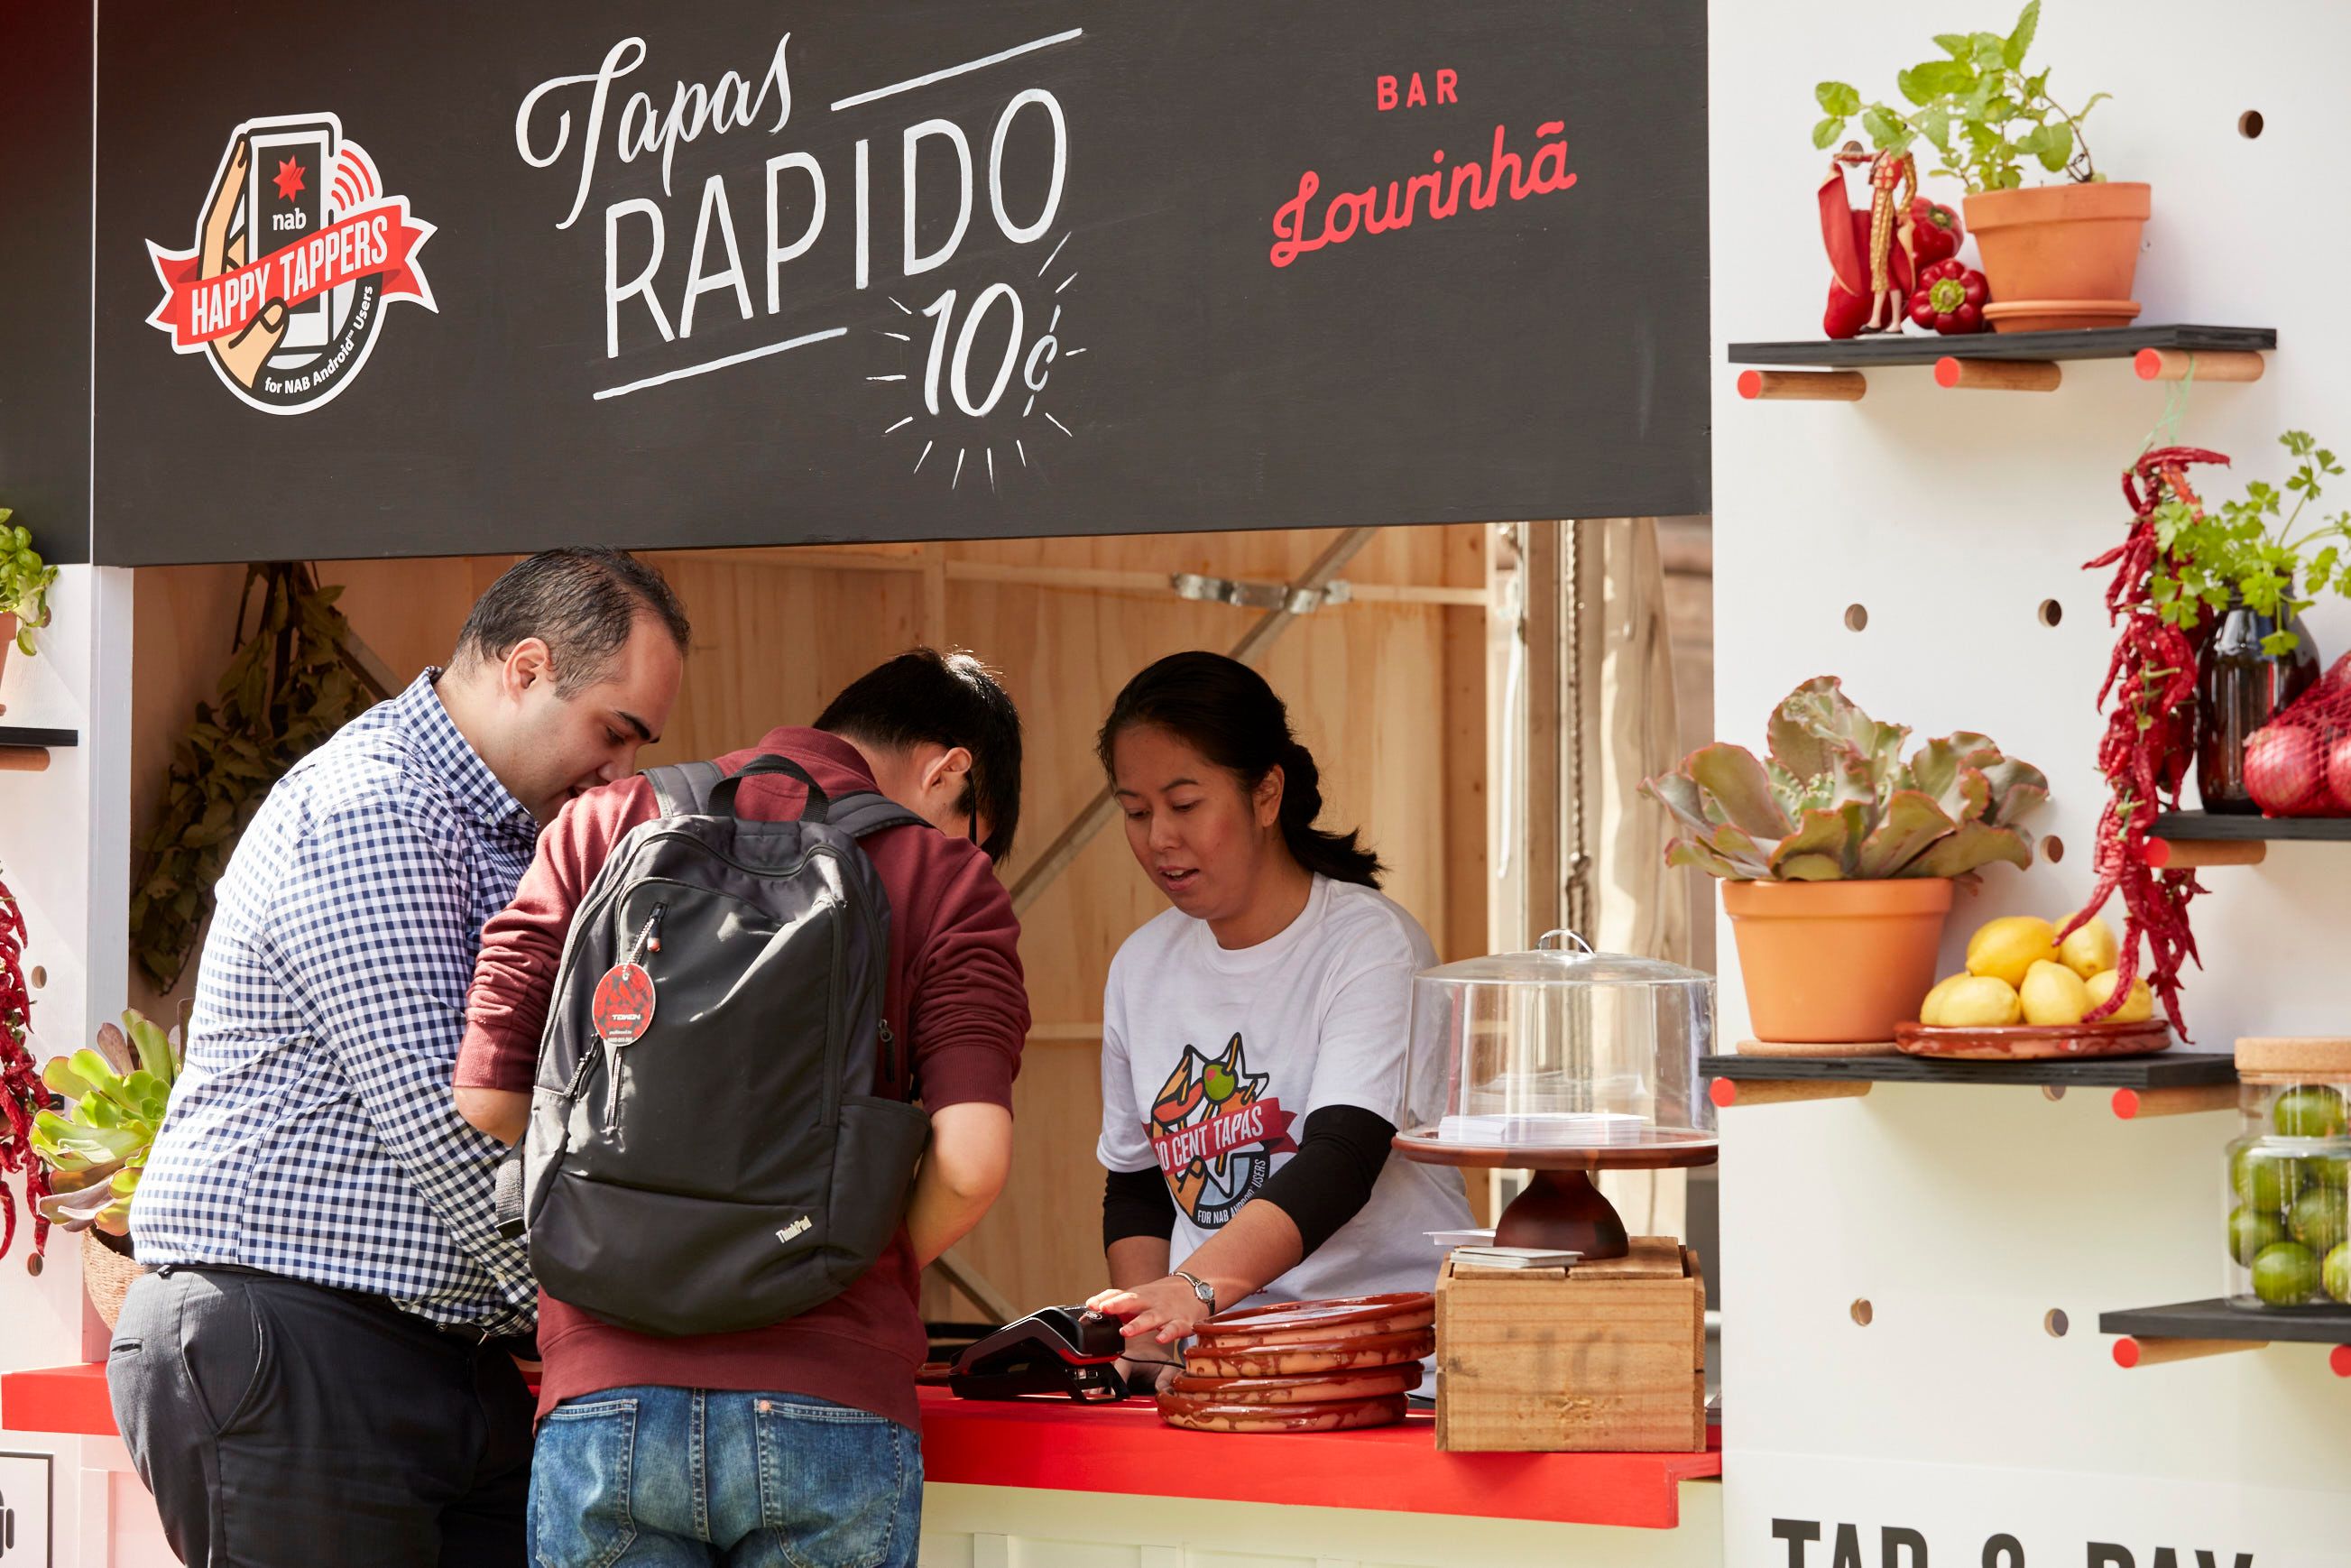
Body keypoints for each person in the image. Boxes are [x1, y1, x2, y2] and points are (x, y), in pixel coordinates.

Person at [113, 548, 691, 1568]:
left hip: (435, 1354)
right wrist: (620, 1323)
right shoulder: (374, 805)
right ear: (526, 668)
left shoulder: (507, 834)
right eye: (614, 730)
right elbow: (445, 1120)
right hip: (299, 1341)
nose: (620, 771)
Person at [453, 646, 1030, 1568]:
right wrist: (834, 1242)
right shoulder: (945, 877)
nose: (972, 850)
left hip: (606, 1387)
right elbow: (970, 1162)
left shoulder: (598, 826)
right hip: (827, 1391)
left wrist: (638, 1205)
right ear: (949, 772)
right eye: (977, 829)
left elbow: (487, 1092)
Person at [1084, 651, 1471, 1373]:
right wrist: (1146, 1333)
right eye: (1135, 812)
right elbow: (1137, 1180)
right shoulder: (1141, 965)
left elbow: (1343, 1158)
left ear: (1266, 795)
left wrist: (1194, 1287)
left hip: (1388, 1362)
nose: (1159, 837)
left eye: (1184, 805)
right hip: (1222, 1368)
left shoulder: (1369, 944)